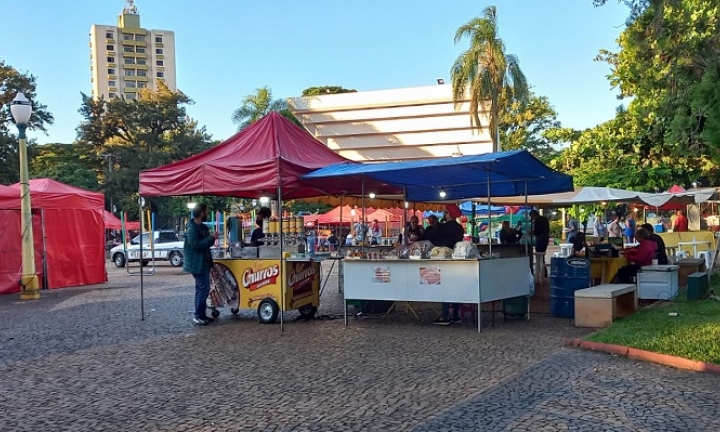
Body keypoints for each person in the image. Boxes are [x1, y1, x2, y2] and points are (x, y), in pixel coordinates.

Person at [183, 203, 220, 326]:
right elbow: (196, 246)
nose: (208, 213)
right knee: (202, 289)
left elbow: (204, 244)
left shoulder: (202, 227)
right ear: (202, 213)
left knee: (201, 289)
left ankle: (201, 315)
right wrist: (210, 239)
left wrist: (211, 238)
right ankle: (198, 315)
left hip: (203, 262)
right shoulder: (192, 229)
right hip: (197, 264)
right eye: (207, 211)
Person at [434, 204, 466, 326]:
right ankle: (456, 315)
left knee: (445, 287)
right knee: (456, 287)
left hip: (444, 258)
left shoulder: (443, 227)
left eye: (445, 213)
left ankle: (445, 315)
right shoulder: (459, 228)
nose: (444, 214)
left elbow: (435, 238)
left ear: (449, 214)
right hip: (456, 257)